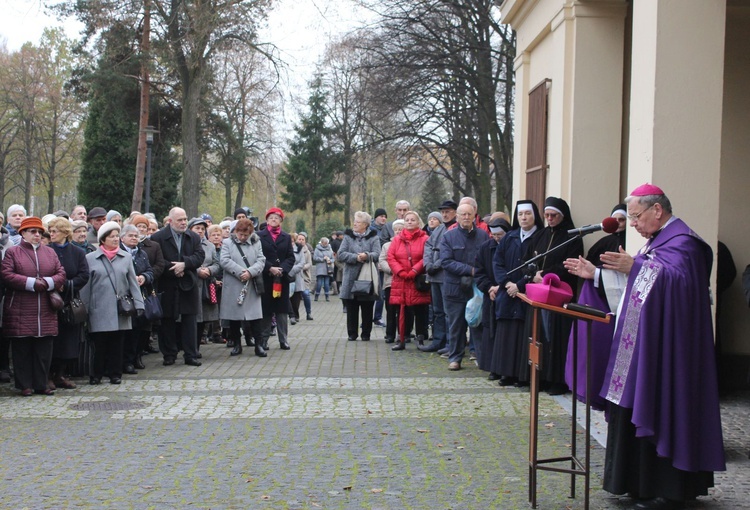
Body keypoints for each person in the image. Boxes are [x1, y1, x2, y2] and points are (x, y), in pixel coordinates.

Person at [573, 184, 725, 509]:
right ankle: (637, 484)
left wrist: (636, 267)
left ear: (657, 210)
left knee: (663, 406)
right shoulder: (655, 244)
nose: (635, 224)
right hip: (642, 347)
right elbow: (636, 287)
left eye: (638, 216)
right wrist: (596, 275)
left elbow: (681, 286)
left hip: (671, 353)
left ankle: (666, 488)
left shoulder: (685, 244)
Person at [563, 204, 627, 409]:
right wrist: (594, 274)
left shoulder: (636, 244)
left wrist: (597, 274)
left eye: (625, 220)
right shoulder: (604, 242)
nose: (620, 224)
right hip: (602, 304)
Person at [523, 196, 583, 395]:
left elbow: (570, 264)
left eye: (553, 215)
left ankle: (558, 379)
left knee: (557, 338)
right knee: (539, 335)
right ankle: (540, 377)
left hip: (559, 295)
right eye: (547, 215)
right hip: (539, 294)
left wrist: (547, 275)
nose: (549, 218)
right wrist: (534, 274)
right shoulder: (540, 235)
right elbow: (528, 259)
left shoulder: (572, 237)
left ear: (562, 216)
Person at [1, 217, 67, 395]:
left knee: (43, 350)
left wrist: (47, 282)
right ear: (23, 233)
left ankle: (41, 383)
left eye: (39, 232)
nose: (37, 235)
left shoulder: (50, 253)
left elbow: (61, 273)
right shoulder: (13, 252)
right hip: (20, 309)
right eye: (32, 231)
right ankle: (25, 385)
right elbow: (7, 275)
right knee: (22, 349)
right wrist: (31, 283)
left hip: (45, 309)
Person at [81, 221, 144, 385]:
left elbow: (133, 283)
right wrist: (84, 309)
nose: (116, 239)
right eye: (112, 236)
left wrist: (139, 304)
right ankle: (96, 374)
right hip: (98, 309)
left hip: (120, 309)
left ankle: (115, 374)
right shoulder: (90, 258)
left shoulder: (126, 257)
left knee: (118, 343)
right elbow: (86, 287)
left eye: (117, 236)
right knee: (100, 344)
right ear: (103, 239)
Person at [490, 201, 544, 386]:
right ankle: (506, 372)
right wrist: (506, 283)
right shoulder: (510, 237)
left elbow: (538, 266)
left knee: (524, 334)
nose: (524, 217)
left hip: (527, 293)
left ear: (535, 215)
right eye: (520, 214)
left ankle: (523, 376)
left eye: (527, 213)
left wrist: (519, 285)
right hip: (507, 292)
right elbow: (497, 261)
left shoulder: (541, 237)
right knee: (507, 334)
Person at [150, 207, 205, 367]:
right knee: (167, 320)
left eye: (185, 219)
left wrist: (185, 264)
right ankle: (169, 354)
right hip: (167, 283)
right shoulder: (158, 237)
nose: (183, 223)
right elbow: (157, 260)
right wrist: (174, 269)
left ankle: (191, 354)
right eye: (180, 220)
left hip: (188, 283)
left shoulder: (193, 237)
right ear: (170, 221)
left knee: (189, 320)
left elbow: (199, 256)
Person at [439, 203, 488, 370]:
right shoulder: (448, 236)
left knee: (478, 324)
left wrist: (478, 273)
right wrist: (470, 270)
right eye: (463, 214)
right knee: (456, 326)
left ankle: (482, 358)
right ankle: (455, 358)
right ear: (457, 217)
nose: (466, 217)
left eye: (469, 214)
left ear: (475, 215)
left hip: (477, 289)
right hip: (455, 288)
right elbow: (446, 262)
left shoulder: (483, 236)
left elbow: (486, 258)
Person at [48, 217, 90, 389]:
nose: (51, 234)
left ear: (65, 233)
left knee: (68, 339)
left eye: (54, 231)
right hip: (50, 301)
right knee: (52, 340)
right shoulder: (47, 250)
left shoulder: (78, 253)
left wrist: (68, 285)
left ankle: (60, 374)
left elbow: (84, 274)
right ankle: (48, 375)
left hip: (70, 301)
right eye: (50, 231)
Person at [219, 218, 266, 357]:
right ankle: (237, 344)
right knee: (234, 316)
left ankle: (259, 344)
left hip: (251, 283)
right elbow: (224, 260)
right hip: (234, 283)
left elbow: (261, 260)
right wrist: (241, 272)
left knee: (255, 317)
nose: (243, 237)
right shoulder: (228, 243)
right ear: (236, 231)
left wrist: (250, 272)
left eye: (246, 235)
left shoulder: (257, 242)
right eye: (240, 234)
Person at [419, 200, 458, 353]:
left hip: (446, 276)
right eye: (442, 212)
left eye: (447, 211)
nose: (444, 214)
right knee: (437, 311)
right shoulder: (439, 229)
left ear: (455, 212)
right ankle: (438, 340)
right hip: (434, 276)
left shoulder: (456, 229)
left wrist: (437, 265)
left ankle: (450, 343)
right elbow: (428, 245)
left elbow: (452, 251)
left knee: (449, 312)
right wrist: (428, 263)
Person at [388, 211, 431, 351]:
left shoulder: (425, 239)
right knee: (402, 310)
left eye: (413, 219)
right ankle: (402, 338)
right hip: (401, 280)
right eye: (407, 220)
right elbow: (391, 257)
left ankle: (421, 338)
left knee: (421, 309)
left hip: (417, 280)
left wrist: (414, 271)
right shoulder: (397, 239)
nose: (410, 222)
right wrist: (400, 271)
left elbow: (427, 257)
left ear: (418, 222)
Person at [474, 214, 511, 374]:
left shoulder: (512, 246)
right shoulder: (485, 248)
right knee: (489, 331)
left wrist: (501, 286)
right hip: (490, 295)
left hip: (507, 294)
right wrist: (489, 288)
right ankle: (490, 367)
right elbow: (479, 272)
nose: (496, 239)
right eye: (494, 235)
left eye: (500, 235)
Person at [338, 211, 381, 341]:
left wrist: (367, 256)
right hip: (350, 277)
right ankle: (352, 334)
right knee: (351, 307)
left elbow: (377, 254)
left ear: (366, 225)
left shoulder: (374, 237)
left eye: (358, 222)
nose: (355, 224)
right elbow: (340, 254)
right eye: (355, 221)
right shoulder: (348, 237)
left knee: (367, 307)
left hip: (367, 276)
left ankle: (366, 333)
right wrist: (355, 257)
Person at [257, 207, 295, 351]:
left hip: (281, 279)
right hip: (266, 278)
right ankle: (264, 340)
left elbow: (291, 257)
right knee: (266, 310)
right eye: (271, 217)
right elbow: (257, 256)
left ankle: (283, 340)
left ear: (281, 221)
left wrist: (282, 269)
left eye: (277, 217)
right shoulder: (259, 236)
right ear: (266, 220)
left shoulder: (286, 237)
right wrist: (269, 268)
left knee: (282, 311)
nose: (274, 220)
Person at [119, 224, 155, 374]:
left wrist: (144, 277)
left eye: (136, 236)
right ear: (122, 238)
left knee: (139, 329)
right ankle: (125, 361)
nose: (134, 238)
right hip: (124, 296)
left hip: (140, 295)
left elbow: (150, 271)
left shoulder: (142, 253)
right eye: (131, 235)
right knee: (126, 330)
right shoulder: (119, 252)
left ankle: (135, 357)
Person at [189, 217, 220, 348]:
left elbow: (217, 263)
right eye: (197, 228)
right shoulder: (186, 244)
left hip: (206, 286)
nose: (200, 231)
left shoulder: (210, 245)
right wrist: (197, 271)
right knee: (191, 317)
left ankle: (196, 346)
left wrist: (209, 270)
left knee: (203, 318)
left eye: (202, 229)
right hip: (191, 284)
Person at [379, 219, 405, 344]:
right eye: (396, 230)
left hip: (405, 281)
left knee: (404, 310)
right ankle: (390, 334)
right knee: (390, 309)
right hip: (390, 281)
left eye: (401, 229)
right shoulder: (386, 246)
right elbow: (382, 260)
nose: (398, 232)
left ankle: (403, 334)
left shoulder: (407, 244)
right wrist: (392, 270)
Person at [290, 232, 313, 323]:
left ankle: (308, 313)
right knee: (290, 296)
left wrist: (300, 267)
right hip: (290, 275)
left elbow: (308, 263)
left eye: (303, 239)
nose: (301, 241)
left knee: (304, 295)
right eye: (299, 239)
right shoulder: (287, 249)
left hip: (303, 276)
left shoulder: (306, 251)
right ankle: (292, 314)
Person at [313, 237, 334, 302]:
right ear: (321, 243)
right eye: (324, 243)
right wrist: (323, 259)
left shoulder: (330, 249)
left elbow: (333, 258)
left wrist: (329, 260)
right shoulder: (317, 249)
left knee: (327, 283)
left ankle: (327, 296)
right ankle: (317, 295)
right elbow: (314, 258)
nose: (326, 244)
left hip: (328, 268)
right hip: (320, 268)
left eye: (327, 243)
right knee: (319, 282)